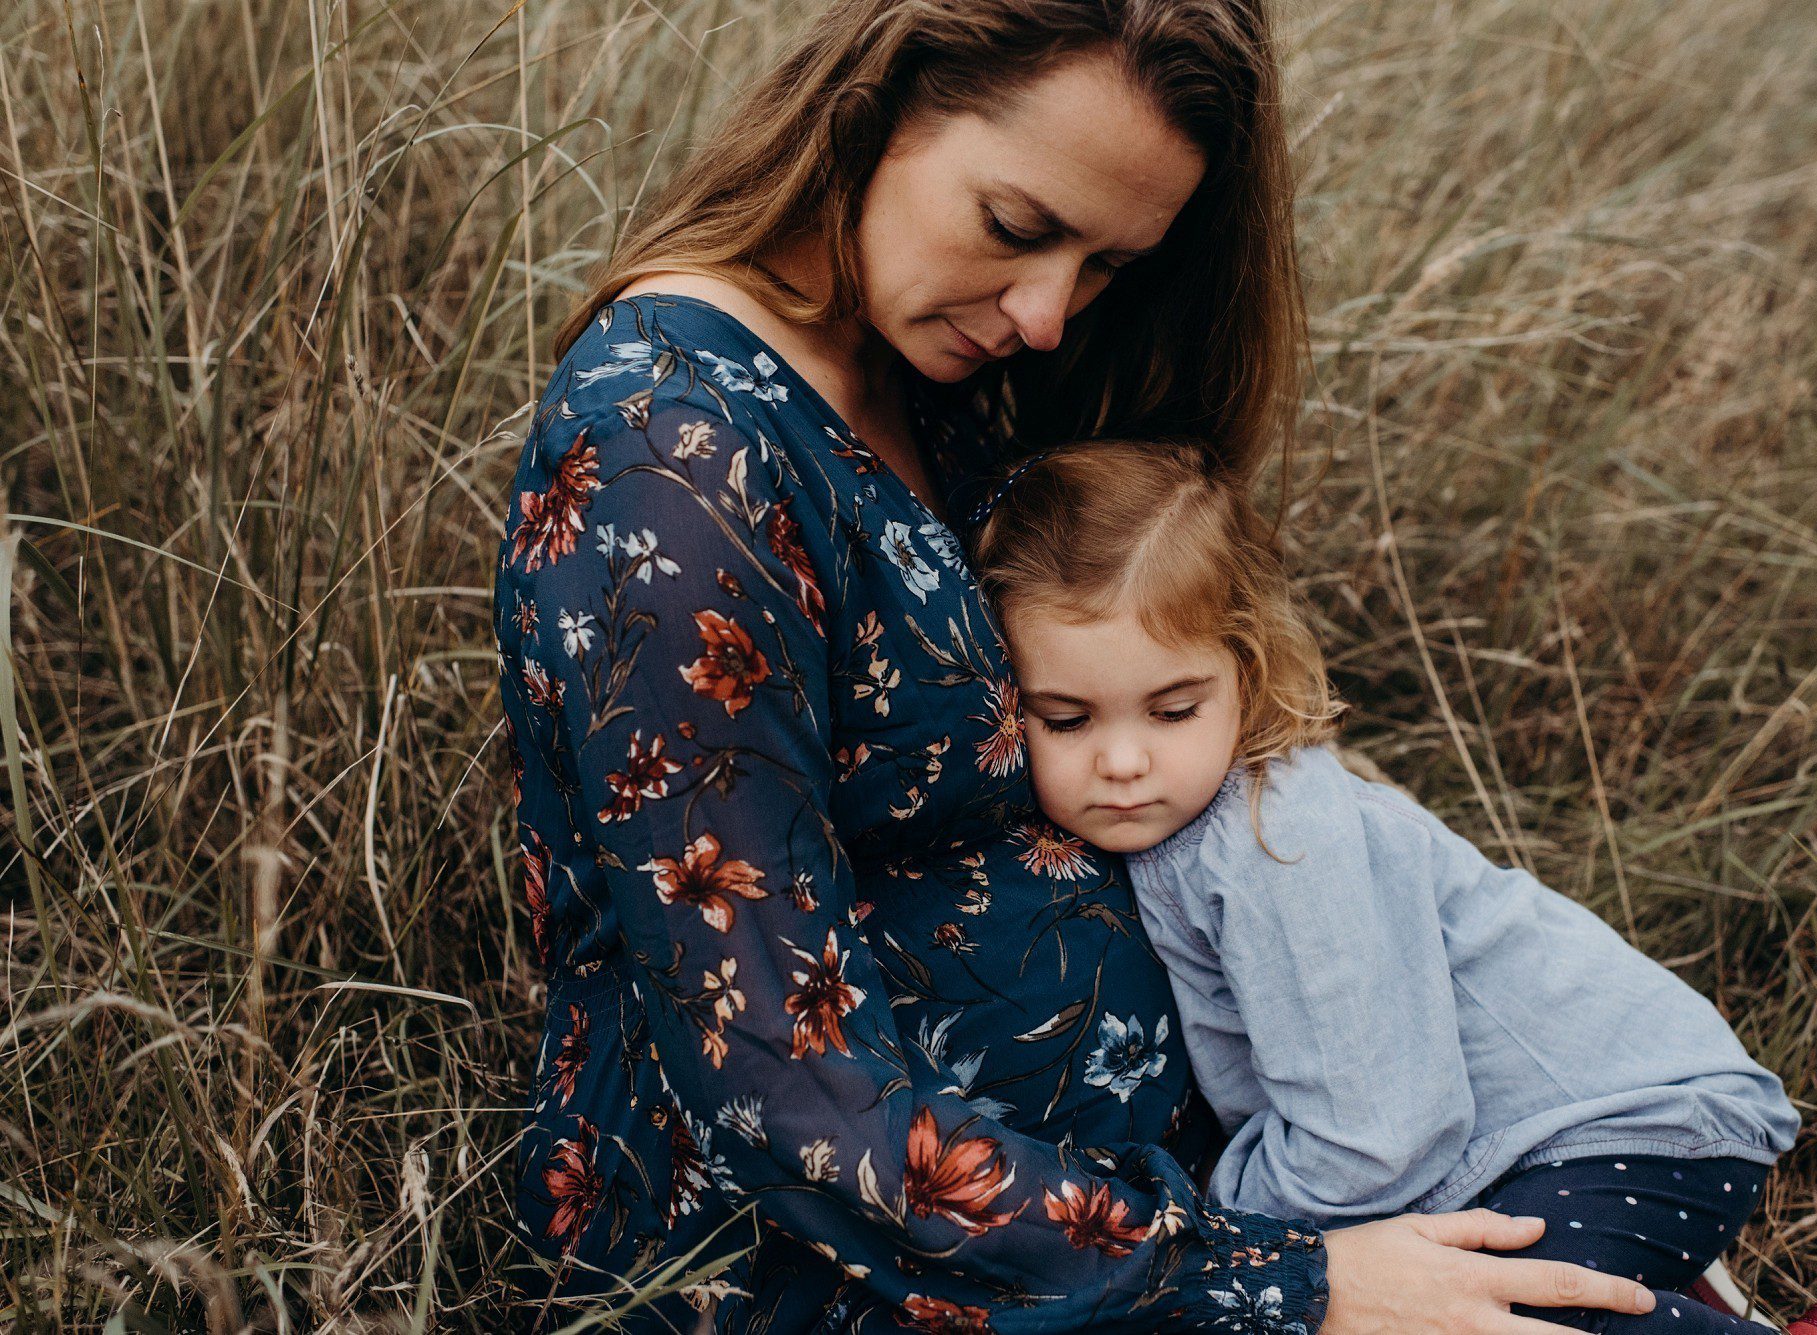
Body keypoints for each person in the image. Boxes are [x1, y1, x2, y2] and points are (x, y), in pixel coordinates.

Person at [492, 0, 1687, 1328]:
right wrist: (1284, 1282)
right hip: (841, 1259)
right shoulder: (676, 457)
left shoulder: (916, 370)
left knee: (1572, 1279)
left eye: (1109, 264)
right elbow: (783, 1079)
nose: (1052, 313)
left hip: (1162, 1191)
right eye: (1018, 227)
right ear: (878, 101)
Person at [968, 437, 1817, 1335]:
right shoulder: (1174, 821)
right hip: (1505, 1151)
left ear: (1247, 669)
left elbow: (1376, 1142)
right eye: (1067, 720)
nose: (1124, 762)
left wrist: (1228, 1237)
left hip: (1620, 1123)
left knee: (1466, 1325)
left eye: (1171, 708)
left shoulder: (1271, 844)